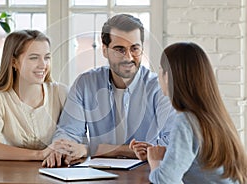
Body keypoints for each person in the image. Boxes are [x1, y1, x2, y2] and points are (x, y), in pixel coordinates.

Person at [43, 14, 175, 167]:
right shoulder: (85, 83)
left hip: (146, 174)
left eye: (135, 49)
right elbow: (68, 133)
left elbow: (171, 144)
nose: (129, 57)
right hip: (98, 175)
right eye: (120, 50)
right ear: (104, 50)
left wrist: (92, 149)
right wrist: (62, 149)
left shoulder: (159, 87)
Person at [130, 42, 247, 183]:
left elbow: (165, 181)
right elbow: (198, 161)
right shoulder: (212, 116)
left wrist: (155, 162)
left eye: (160, 69)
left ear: (168, 77)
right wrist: (165, 155)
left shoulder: (186, 120)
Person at [0, 29, 68, 160]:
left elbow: (76, 139)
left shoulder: (61, 92)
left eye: (47, 57)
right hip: (9, 175)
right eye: (34, 58)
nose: (43, 65)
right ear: (14, 62)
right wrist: (40, 155)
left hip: (54, 175)